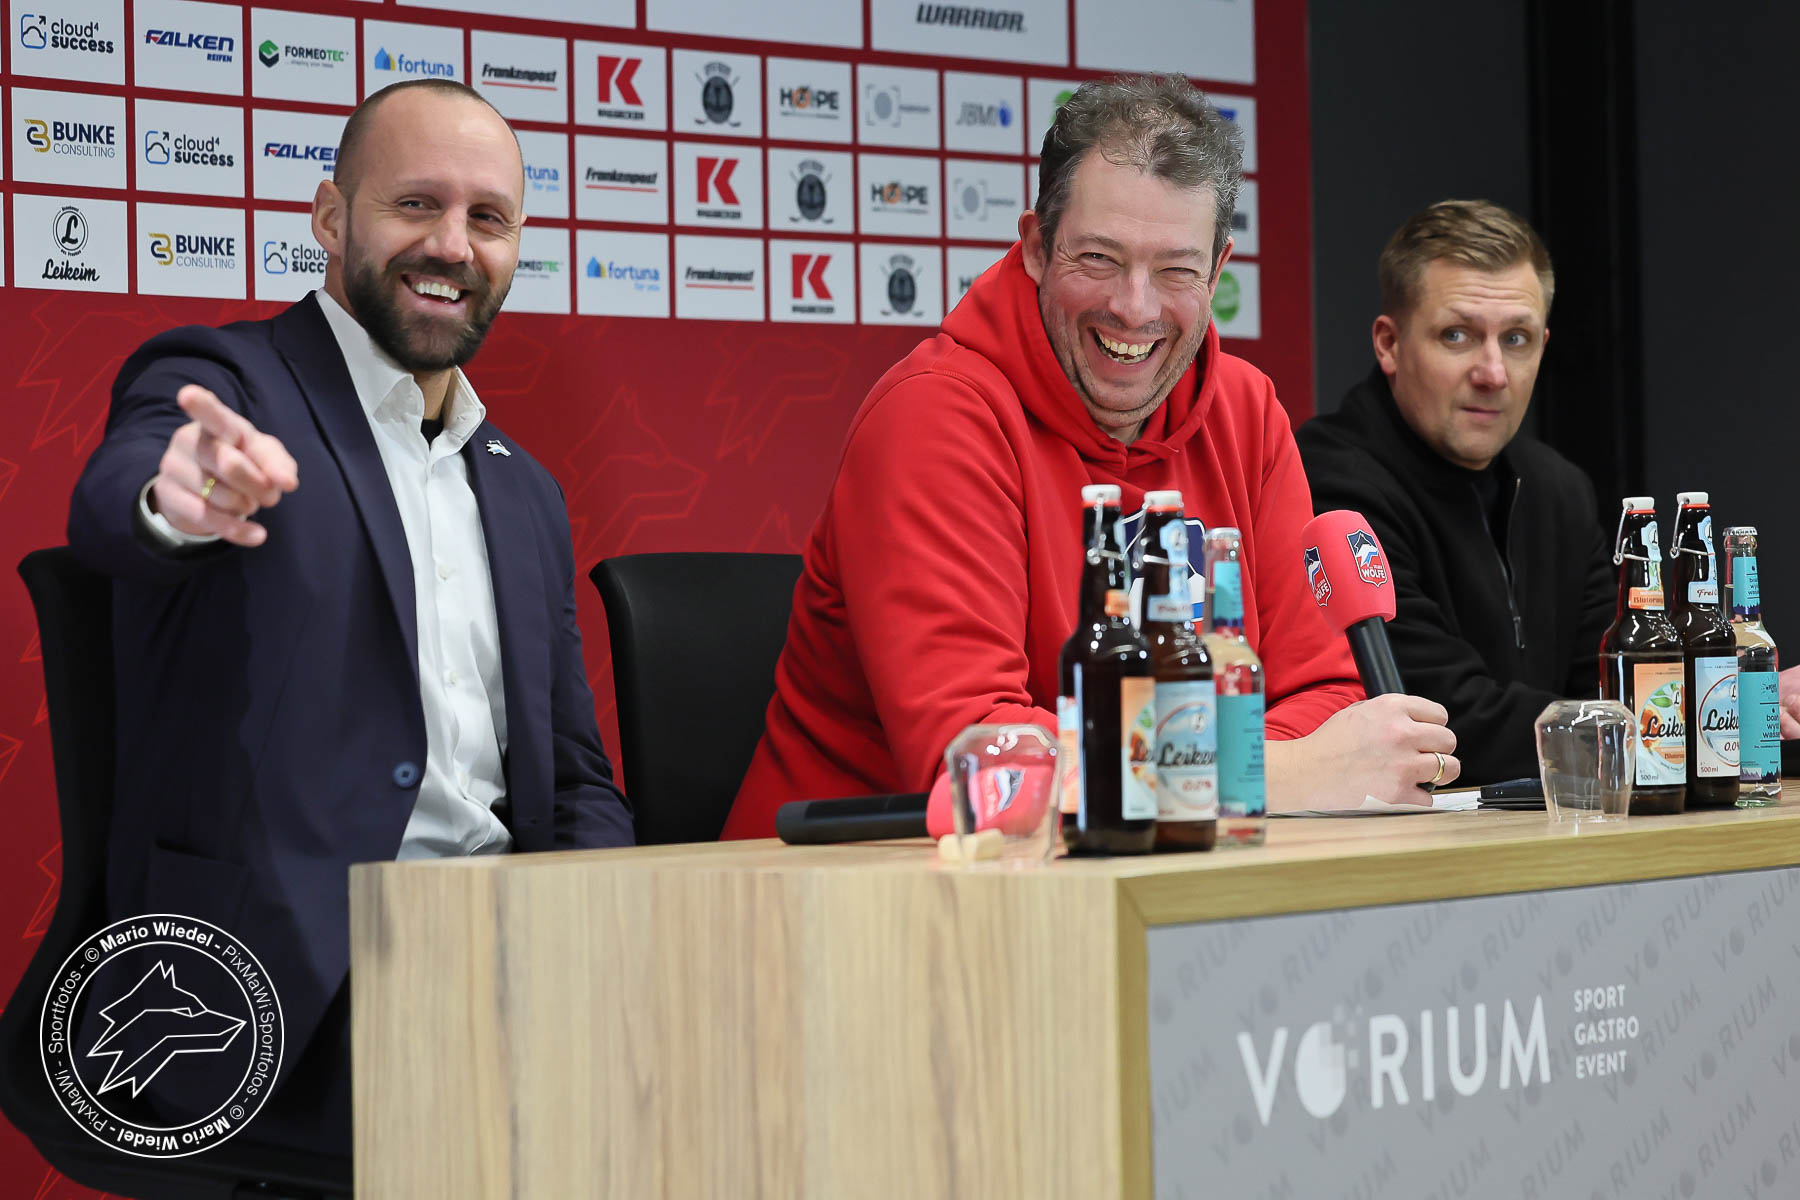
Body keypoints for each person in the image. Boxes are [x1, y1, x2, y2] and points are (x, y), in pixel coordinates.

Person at [66, 80, 632, 1164]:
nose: (453, 245)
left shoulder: (524, 490)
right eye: (415, 204)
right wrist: (176, 501)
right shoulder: (226, 385)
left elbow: (573, 777)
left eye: (488, 218)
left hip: (510, 961)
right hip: (282, 985)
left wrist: (616, 935)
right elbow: (116, 501)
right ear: (331, 218)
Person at [723, 75, 1458, 839]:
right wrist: (1269, 777)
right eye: (1101, 258)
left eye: (1175, 269)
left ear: (1216, 271)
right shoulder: (930, 416)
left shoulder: (1246, 412)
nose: (1134, 307)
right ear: (1037, 248)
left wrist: (1234, 785)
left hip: (1145, 865)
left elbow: (1324, 700)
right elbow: (982, 761)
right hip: (850, 881)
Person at [1295, 200, 1614, 785]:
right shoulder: (1327, 482)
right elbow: (1439, 716)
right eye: (1457, 335)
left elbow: (1610, 683)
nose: (1493, 372)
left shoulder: (1561, 490)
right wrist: (1654, 734)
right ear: (1389, 344)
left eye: (1516, 338)